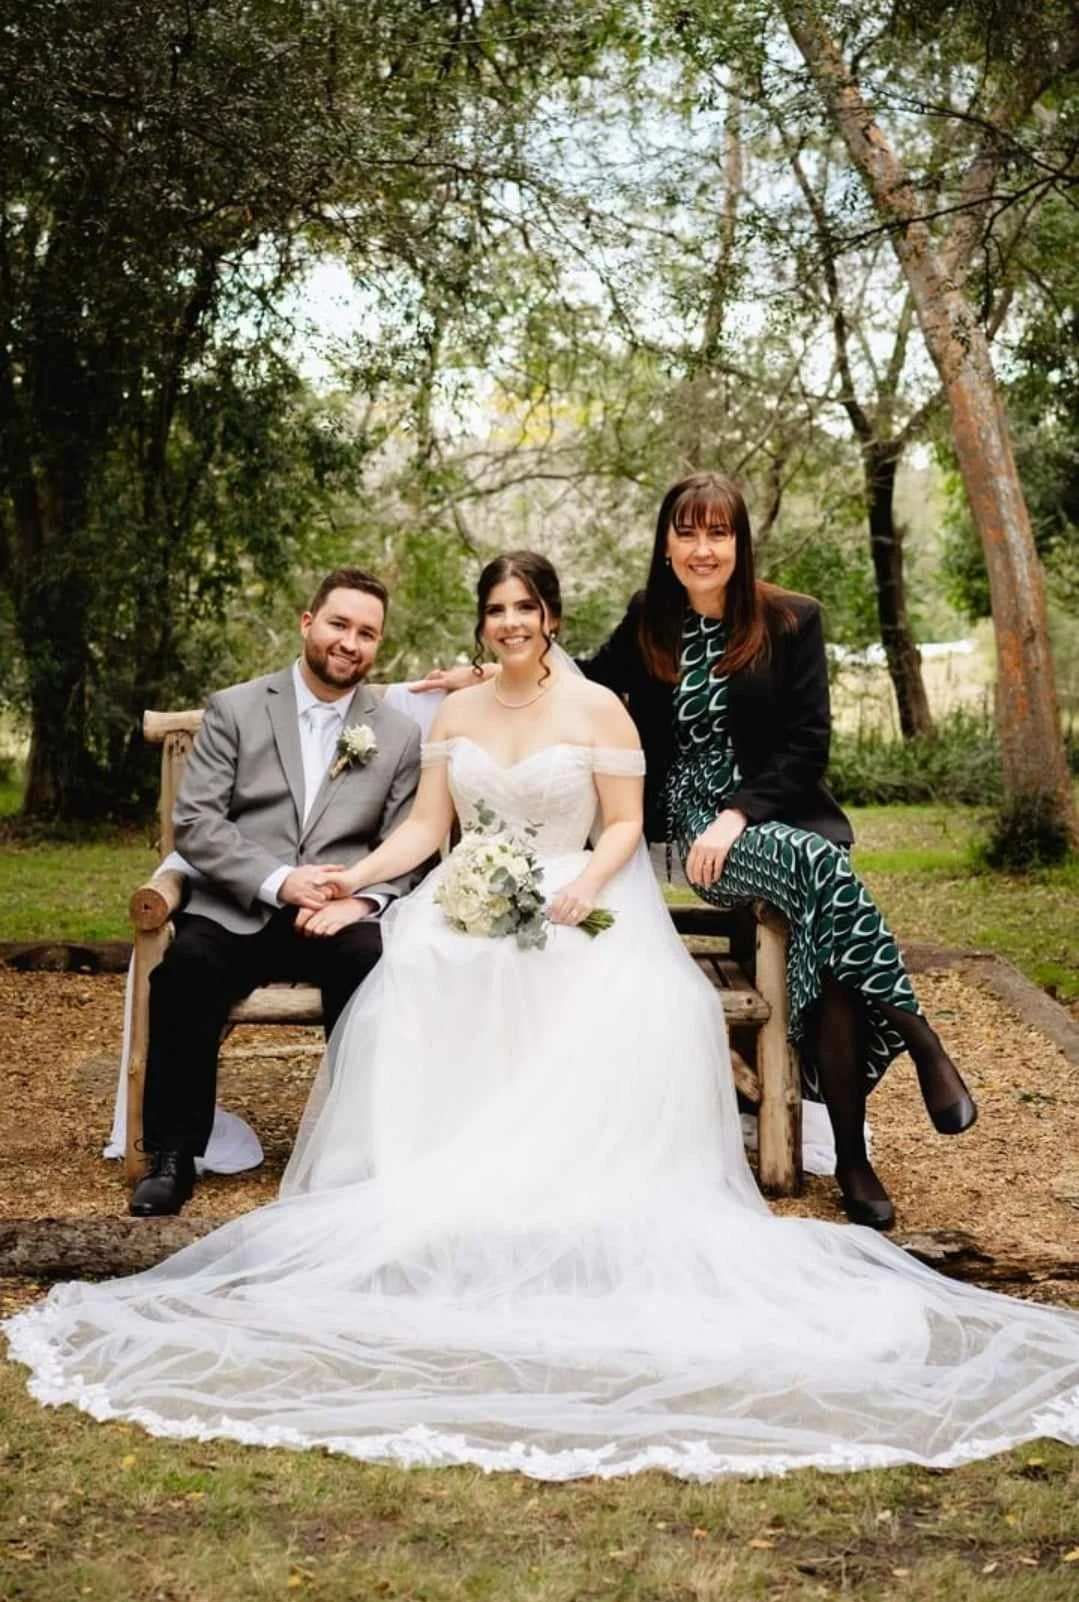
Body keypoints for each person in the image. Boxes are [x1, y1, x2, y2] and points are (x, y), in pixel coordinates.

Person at [5, 551, 1079, 1482]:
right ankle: (436, 1170)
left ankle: (562, 1173)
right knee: (417, 971)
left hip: (582, 894)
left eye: (525, 609)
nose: (509, 625)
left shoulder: (598, 707)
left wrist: (577, 889)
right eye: (494, 612)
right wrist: (347, 880)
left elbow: (619, 826)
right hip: (471, 887)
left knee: (593, 984)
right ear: (483, 625)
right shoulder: (458, 714)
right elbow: (427, 824)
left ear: (551, 619)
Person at [415, 476, 976, 1231]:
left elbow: (808, 745)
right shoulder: (653, 619)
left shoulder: (790, 621)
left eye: (717, 533)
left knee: (824, 910)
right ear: (667, 544)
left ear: (739, 544)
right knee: (826, 880)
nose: (702, 548)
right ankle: (911, 1037)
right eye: (687, 533)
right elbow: (574, 678)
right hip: (686, 824)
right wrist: (487, 673)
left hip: (767, 817)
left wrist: (739, 815)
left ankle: (851, 1154)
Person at [128, 566, 426, 1217]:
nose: (351, 642)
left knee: (374, 961)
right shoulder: (236, 708)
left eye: (367, 633)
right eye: (339, 624)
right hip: (239, 905)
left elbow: (408, 843)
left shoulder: (400, 733)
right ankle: (174, 1155)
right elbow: (196, 822)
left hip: (338, 912)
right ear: (306, 622)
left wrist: (362, 900)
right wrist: (278, 879)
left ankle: (358, 1154)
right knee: (186, 968)